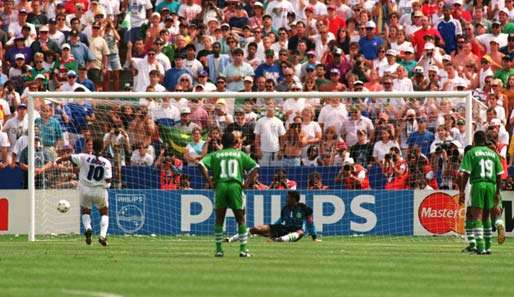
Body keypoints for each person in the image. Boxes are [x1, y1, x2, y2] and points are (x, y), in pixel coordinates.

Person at [199, 131, 259, 258]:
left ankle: (219, 250)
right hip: (235, 186)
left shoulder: (215, 154)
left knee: (219, 219)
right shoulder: (239, 154)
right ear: (234, 142)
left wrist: (209, 181)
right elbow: (255, 167)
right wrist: (247, 182)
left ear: (222, 143)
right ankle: (243, 250)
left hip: (220, 186)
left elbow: (201, 164)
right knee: (240, 218)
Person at [55, 138, 112, 246]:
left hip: (85, 189)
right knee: (104, 212)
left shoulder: (84, 157)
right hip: (99, 190)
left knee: (86, 211)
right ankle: (102, 236)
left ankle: (88, 228)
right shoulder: (106, 162)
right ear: (103, 147)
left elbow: (69, 157)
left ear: (92, 147)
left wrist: (57, 160)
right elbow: (108, 179)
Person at [458, 131, 505, 255]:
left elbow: (465, 173)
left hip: (478, 184)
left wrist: (462, 191)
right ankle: (488, 246)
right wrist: (498, 191)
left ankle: (480, 246)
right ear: (485, 140)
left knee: (476, 216)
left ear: (474, 140)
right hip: (492, 185)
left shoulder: (472, 152)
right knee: (486, 217)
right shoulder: (493, 153)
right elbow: (500, 174)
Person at [226, 191, 319, 243]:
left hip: (296, 230)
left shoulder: (304, 208)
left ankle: (281, 239)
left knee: (301, 232)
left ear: (294, 199)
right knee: (257, 228)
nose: (286, 199)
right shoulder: (285, 208)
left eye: (288, 197)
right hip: (283, 229)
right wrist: (271, 228)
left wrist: (314, 237)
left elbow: (310, 223)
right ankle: (231, 239)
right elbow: (280, 221)